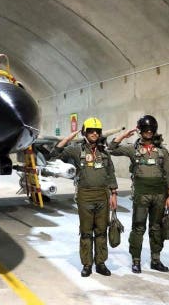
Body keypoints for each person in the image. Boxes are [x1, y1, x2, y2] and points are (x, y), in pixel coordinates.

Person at [49, 117, 118, 277]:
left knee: (101, 231)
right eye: (91, 131)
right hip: (85, 195)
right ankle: (87, 264)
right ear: (85, 132)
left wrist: (113, 193)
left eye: (97, 131)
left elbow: (110, 173)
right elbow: (53, 157)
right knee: (86, 232)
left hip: (102, 195)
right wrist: (65, 140)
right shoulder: (75, 150)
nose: (94, 133)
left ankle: (100, 263)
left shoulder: (104, 151)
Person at [108, 115, 169, 274]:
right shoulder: (133, 149)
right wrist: (124, 135)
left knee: (156, 227)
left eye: (151, 129)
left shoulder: (162, 151)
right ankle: (136, 260)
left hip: (159, 195)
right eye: (145, 129)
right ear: (140, 131)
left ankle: (156, 259)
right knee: (138, 227)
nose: (148, 132)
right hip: (141, 195)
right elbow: (112, 148)